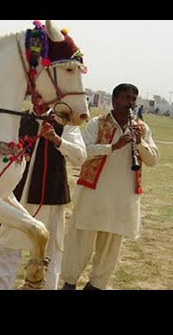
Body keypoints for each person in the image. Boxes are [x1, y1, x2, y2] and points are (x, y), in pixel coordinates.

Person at [60, 83, 159, 290]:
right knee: (80, 243)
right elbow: (83, 151)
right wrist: (114, 146)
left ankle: (96, 285)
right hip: (93, 194)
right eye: (126, 98)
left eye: (133, 99)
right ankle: (69, 282)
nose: (130, 103)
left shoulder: (141, 127)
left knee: (110, 247)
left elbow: (153, 160)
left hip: (122, 198)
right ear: (114, 100)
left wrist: (140, 143)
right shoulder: (97, 123)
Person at [0, 107, 87, 290]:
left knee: (48, 253)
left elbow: (79, 157)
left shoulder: (66, 121)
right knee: (6, 248)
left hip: (50, 197)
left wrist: (57, 140)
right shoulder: (20, 116)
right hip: (15, 195)